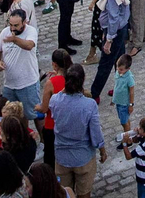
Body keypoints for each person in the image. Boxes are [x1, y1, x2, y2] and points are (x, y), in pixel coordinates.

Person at [49, 63, 107, 195]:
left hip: (62, 157)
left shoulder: (54, 101)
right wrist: (102, 151)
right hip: (83, 158)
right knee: (84, 193)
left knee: (64, 193)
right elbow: (96, 134)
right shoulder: (89, 105)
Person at [0, 9, 41, 111]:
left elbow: (29, 45)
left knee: (34, 113)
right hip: (9, 85)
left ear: (24, 22)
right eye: (10, 24)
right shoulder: (4, 32)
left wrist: (14, 40)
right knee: (13, 115)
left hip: (28, 83)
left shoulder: (31, 31)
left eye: (16, 25)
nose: (12, 28)